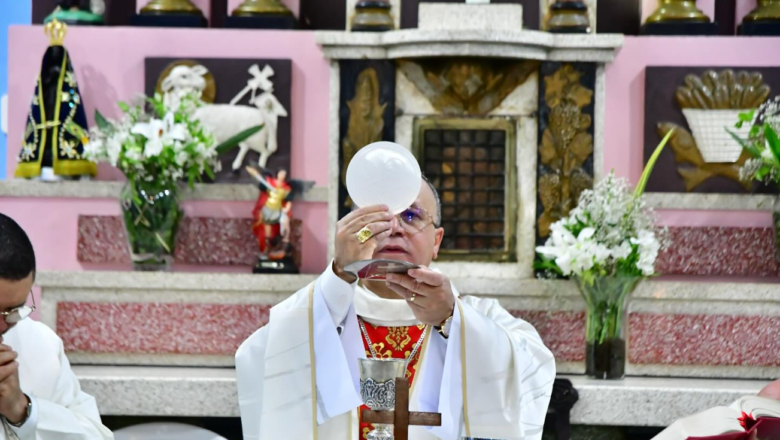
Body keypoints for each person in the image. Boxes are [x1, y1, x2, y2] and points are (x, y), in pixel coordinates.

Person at [236, 177, 556, 440]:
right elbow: (259, 358)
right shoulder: (321, 315)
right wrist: (338, 276)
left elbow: (533, 368)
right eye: (377, 220)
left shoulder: (478, 318)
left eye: (412, 216)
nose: (394, 228)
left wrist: (452, 319)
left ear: (437, 241)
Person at [0, 213, 113, 439]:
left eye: (13, 311)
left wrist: (23, 410)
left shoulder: (40, 344)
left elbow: (97, 436)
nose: (2, 326)